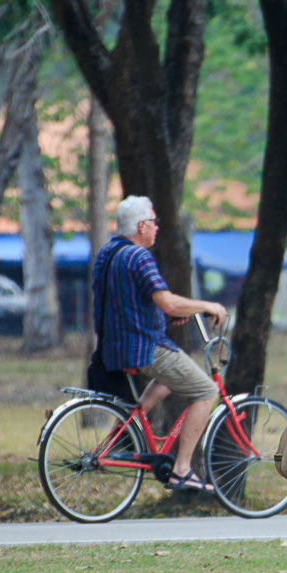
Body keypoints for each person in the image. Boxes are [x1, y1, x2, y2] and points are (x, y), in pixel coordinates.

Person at [91, 195, 228, 493]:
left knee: (171, 378)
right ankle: (181, 470)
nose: (156, 228)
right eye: (154, 223)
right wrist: (207, 305)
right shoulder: (140, 257)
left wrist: (169, 316)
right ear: (141, 226)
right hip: (143, 348)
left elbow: (127, 304)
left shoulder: (108, 253)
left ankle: (131, 420)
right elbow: (165, 301)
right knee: (207, 390)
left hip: (113, 348)